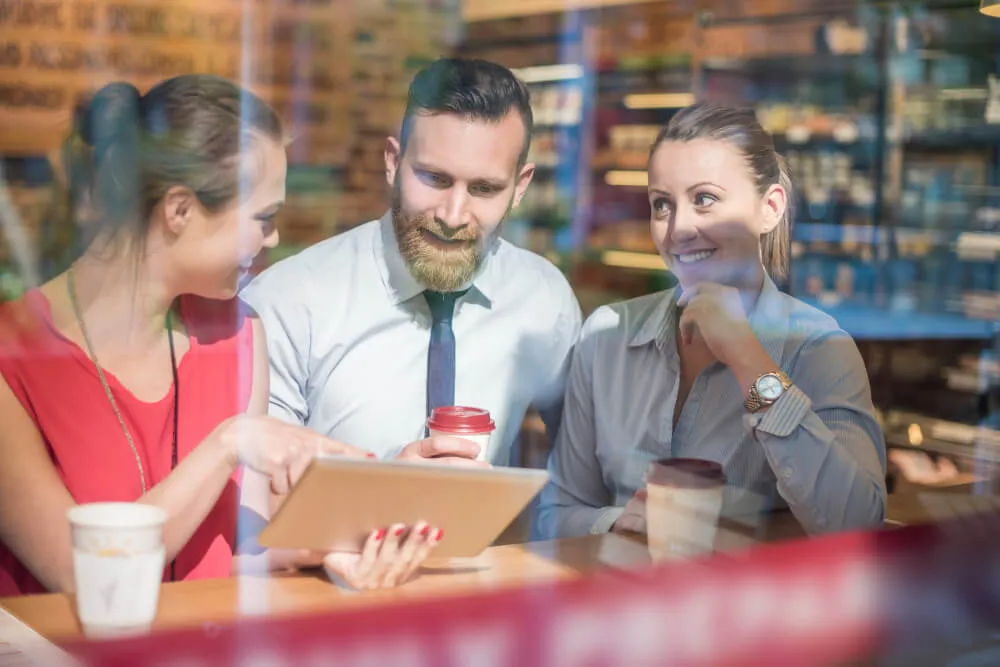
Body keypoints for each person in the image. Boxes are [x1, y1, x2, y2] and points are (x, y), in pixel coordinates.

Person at [0, 75, 439, 596]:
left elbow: (224, 558)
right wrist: (228, 443)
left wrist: (340, 542)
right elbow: (81, 574)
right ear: (179, 210)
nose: (272, 238)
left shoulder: (239, 335)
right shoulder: (13, 355)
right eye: (264, 217)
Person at [537, 103, 887, 539]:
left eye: (705, 199)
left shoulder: (818, 348)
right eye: (662, 204)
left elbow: (857, 525)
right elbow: (556, 512)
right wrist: (619, 524)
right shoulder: (607, 334)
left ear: (770, 207)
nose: (678, 227)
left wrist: (748, 358)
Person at [242, 58, 581, 466]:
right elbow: (254, 498)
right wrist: (383, 493)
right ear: (392, 162)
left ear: (521, 186)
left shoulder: (543, 299)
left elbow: (576, 481)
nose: (453, 215)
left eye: (484, 188)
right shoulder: (288, 302)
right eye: (435, 179)